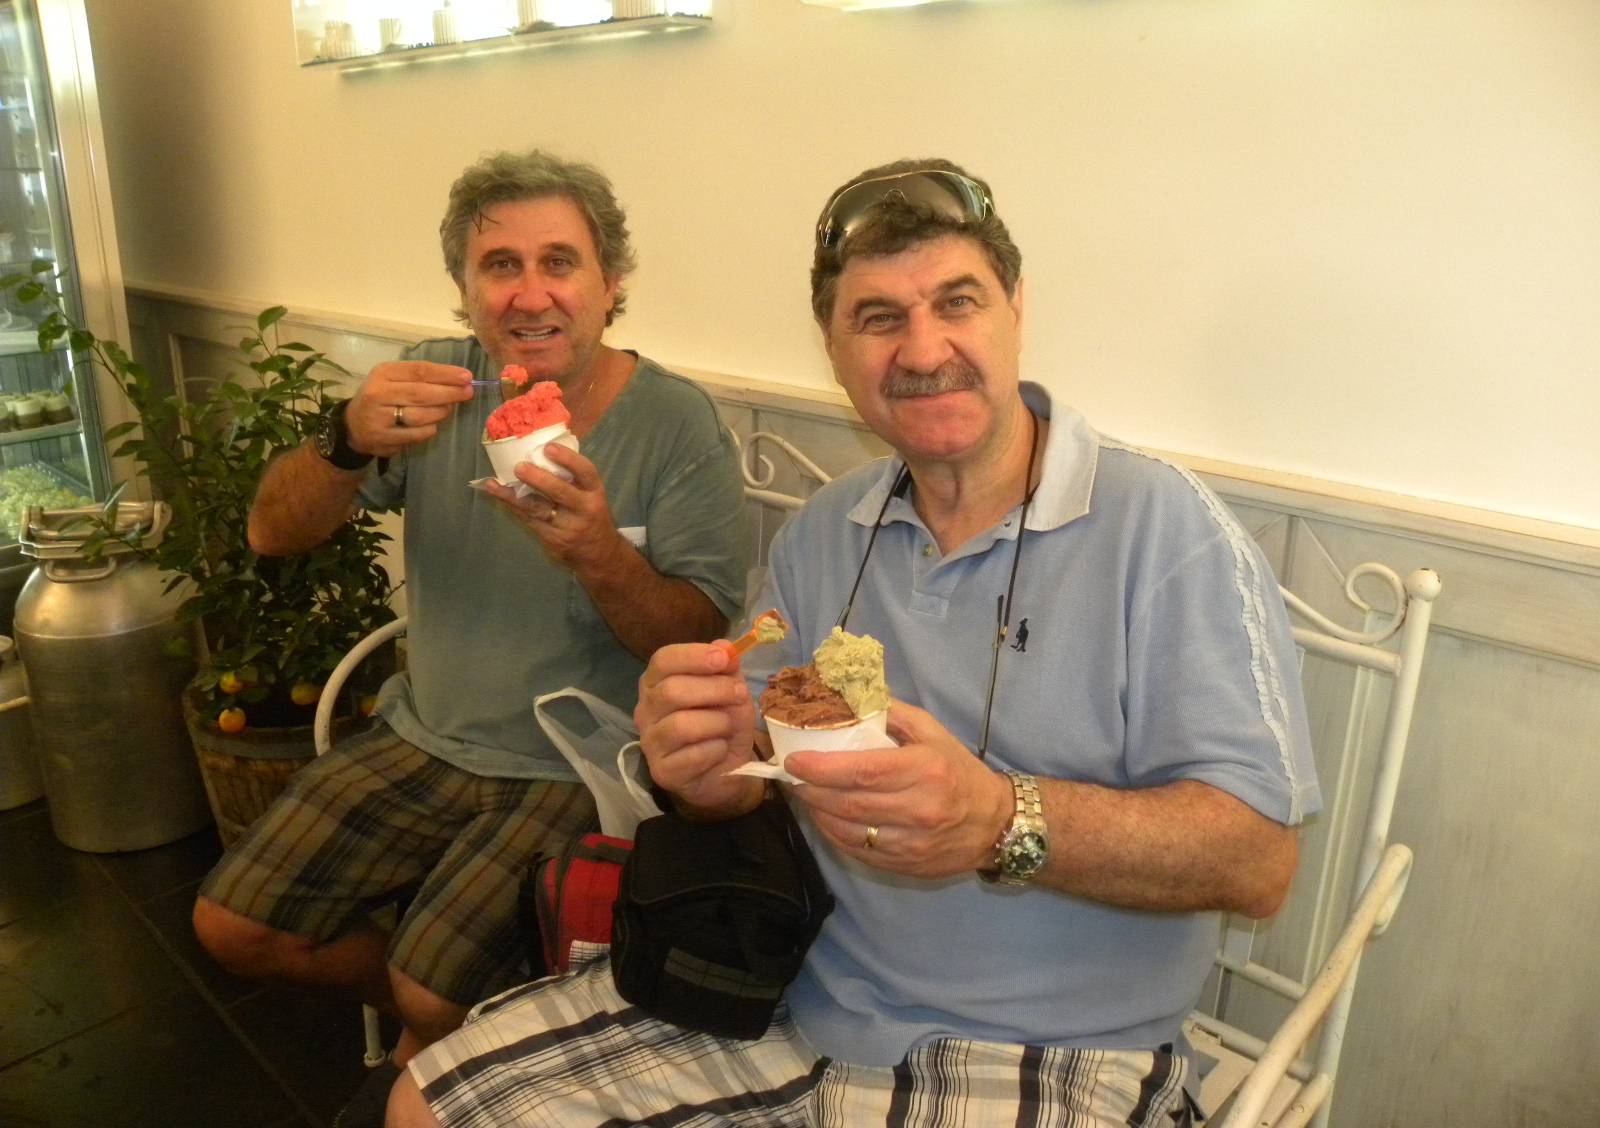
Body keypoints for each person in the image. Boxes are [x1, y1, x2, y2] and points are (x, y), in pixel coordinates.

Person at [386, 159, 1320, 1128]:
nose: (924, 348)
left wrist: (1000, 817)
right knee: (426, 1107)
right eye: (877, 318)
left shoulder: (1164, 532)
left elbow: (1257, 863)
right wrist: (702, 765)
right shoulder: (828, 531)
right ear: (834, 351)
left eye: (956, 302)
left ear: (1014, 310)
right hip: (792, 989)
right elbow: (745, 768)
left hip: (1051, 1049)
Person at [190, 150, 749, 1106]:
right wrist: (343, 438)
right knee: (230, 929)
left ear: (611, 282)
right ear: (464, 288)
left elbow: (698, 636)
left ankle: (438, 1036)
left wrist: (598, 552)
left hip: (575, 761)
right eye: (500, 266)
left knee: (429, 991)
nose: (530, 294)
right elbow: (271, 533)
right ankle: (460, 1032)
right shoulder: (437, 388)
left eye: (559, 262)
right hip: (422, 731)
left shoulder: (674, 423)